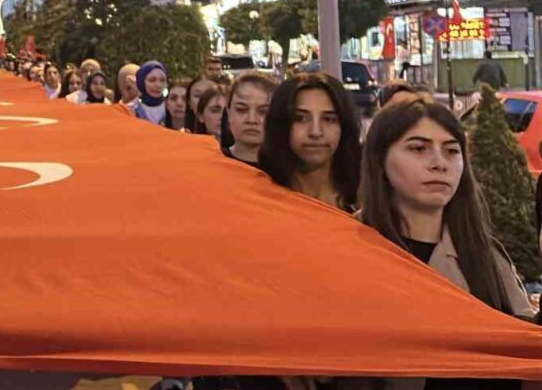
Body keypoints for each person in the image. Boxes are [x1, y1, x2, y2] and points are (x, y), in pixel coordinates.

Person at [343, 99, 535, 390]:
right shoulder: (348, 248)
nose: (439, 163)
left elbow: (526, 357)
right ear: (380, 159)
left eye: (451, 151)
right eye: (418, 149)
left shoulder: (486, 256)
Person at [259, 73, 361, 212]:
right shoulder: (259, 199)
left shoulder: (366, 202)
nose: (315, 132)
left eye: (329, 119)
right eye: (301, 118)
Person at [223, 72, 278, 168]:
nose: (251, 120)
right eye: (241, 109)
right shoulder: (212, 164)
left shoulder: (291, 173)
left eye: (263, 112)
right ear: (228, 113)